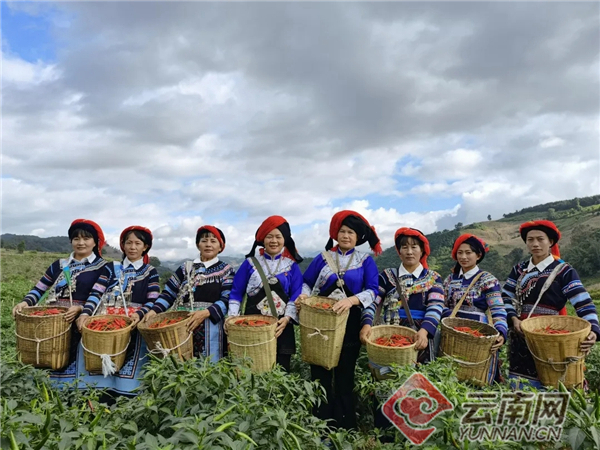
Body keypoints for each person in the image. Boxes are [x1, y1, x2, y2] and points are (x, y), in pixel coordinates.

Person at [299, 210, 381, 430]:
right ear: (336, 233)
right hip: (321, 319)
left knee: (345, 373)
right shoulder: (323, 257)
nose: (346, 236)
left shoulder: (365, 261)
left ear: (357, 237)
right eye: (342, 231)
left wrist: (352, 300)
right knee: (320, 371)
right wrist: (304, 295)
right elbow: (307, 281)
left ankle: (345, 425)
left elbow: (373, 291)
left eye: (351, 232)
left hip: (350, 322)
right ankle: (321, 424)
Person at [361, 227, 444, 430]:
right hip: (389, 338)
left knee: (416, 386)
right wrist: (366, 324)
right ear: (398, 251)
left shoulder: (433, 278)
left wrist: (424, 332)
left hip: (418, 338)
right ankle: (385, 434)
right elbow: (373, 300)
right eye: (404, 247)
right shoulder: (387, 276)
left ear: (422, 250)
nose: (409, 251)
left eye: (414, 246)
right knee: (385, 383)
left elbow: (435, 306)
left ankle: (412, 433)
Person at [503, 220, 599, 388]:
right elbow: (505, 298)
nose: (535, 244)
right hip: (521, 336)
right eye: (530, 240)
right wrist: (513, 319)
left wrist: (594, 330)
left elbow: (582, 302)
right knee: (521, 387)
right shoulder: (519, 270)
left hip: (551, 337)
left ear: (551, 242)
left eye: (540, 239)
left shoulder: (564, 271)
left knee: (553, 382)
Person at [12, 219, 108, 383]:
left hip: (83, 320)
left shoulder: (103, 267)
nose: (81, 243)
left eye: (86, 238)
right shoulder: (59, 265)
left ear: (95, 242)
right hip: (54, 322)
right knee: (49, 358)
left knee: (78, 364)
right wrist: (26, 302)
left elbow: (100, 295)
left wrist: (80, 309)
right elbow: (40, 287)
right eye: (76, 238)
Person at [75, 226, 160, 395]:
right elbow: (97, 292)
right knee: (98, 358)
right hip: (104, 323)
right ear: (123, 245)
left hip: (132, 325)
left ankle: (126, 399)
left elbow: (153, 300)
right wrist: (86, 313)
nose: (133, 247)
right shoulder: (110, 268)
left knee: (128, 365)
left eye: (138, 243)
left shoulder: (150, 272)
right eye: (129, 243)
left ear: (145, 247)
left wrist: (139, 314)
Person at [145, 226, 234, 362]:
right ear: (198, 244)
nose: (208, 244)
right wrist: (154, 311)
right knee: (181, 365)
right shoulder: (185, 268)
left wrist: (205, 313)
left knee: (208, 366)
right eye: (204, 240)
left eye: (213, 241)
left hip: (210, 326)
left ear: (221, 246)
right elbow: (168, 293)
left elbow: (227, 298)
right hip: (182, 325)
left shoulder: (226, 270)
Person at [228, 216, 303, 372]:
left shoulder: (291, 266)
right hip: (252, 327)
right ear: (263, 239)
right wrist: (231, 318)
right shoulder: (250, 264)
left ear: (285, 239)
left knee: (282, 369)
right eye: (269, 236)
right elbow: (236, 293)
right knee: (252, 368)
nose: (273, 241)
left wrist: (287, 318)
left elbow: (296, 293)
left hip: (281, 327)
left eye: (278, 236)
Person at [441, 233, 507, 384]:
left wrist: (502, 332)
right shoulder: (450, 280)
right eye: (460, 252)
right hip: (453, 333)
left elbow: (497, 308)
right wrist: (450, 317)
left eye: (468, 252)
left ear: (478, 255)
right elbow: (441, 304)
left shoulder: (488, 280)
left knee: (474, 375)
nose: (463, 257)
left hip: (478, 335)